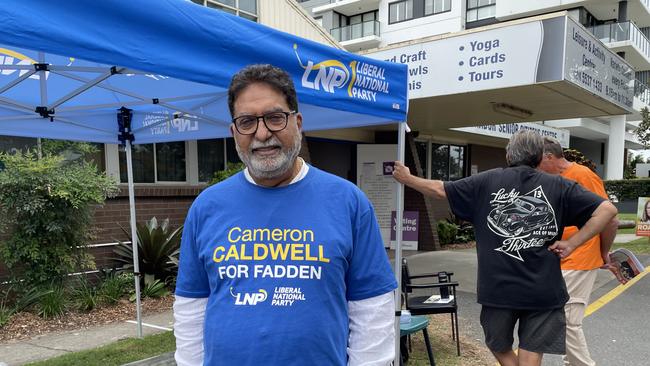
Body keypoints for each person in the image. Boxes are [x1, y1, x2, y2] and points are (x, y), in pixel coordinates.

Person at [173, 64, 397, 366]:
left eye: (275, 118)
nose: (262, 133)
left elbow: (372, 309)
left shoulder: (348, 202)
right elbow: (191, 307)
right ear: (233, 131)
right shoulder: (206, 207)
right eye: (247, 122)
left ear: (298, 122)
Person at [392, 130, 618, 366]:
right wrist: (572, 243)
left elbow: (440, 189)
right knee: (531, 351)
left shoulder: (486, 181)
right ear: (540, 156)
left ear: (508, 154)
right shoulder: (559, 185)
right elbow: (608, 211)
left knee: (497, 344)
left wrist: (408, 178)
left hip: (498, 289)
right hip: (543, 288)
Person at [539, 137, 621, 366]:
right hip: (562, 258)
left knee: (567, 320)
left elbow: (610, 218)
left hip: (579, 257)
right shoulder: (552, 179)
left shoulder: (583, 175)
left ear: (549, 157)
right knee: (564, 318)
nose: (534, 169)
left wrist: (605, 253)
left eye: (537, 162)